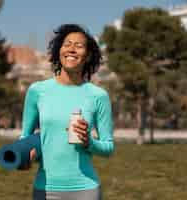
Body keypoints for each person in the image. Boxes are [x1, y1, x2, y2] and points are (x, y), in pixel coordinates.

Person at [20, 24, 115, 200]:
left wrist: (89, 142)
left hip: (86, 190)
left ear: (87, 56)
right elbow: (25, 138)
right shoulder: (37, 91)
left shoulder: (98, 96)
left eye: (79, 46)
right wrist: (25, 156)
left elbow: (108, 147)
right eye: (67, 44)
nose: (72, 49)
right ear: (58, 51)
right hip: (45, 188)